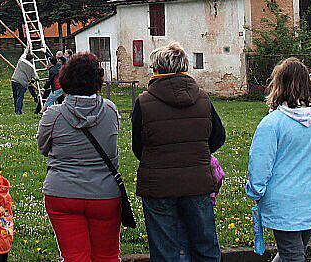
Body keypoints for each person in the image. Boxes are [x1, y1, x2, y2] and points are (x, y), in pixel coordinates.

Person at [131, 42, 226, 262]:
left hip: (158, 183)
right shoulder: (203, 99)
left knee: (165, 250)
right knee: (205, 246)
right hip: (197, 181)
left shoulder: (143, 102)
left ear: (157, 69)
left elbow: (139, 146)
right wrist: (196, 153)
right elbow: (218, 136)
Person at [246, 57, 311, 262]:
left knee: (292, 255)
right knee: (292, 254)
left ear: (278, 85)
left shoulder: (272, 123)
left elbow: (259, 168)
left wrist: (256, 192)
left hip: (282, 203)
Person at [37, 53, 122, 262]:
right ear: (98, 80)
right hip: (105, 192)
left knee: (74, 257)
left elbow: (43, 147)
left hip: (63, 191)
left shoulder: (53, 115)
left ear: (65, 80)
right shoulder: (110, 110)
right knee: (107, 256)